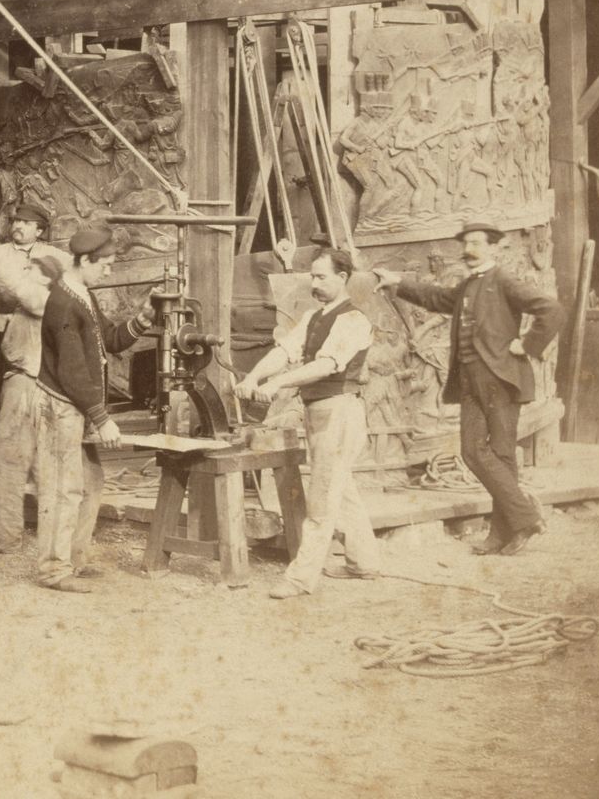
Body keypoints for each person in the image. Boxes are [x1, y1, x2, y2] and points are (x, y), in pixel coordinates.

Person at [376, 222, 561, 555]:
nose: (469, 250)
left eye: (476, 243)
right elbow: (436, 297)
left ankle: (505, 531)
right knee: (474, 451)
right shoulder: (468, 286)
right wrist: (398, 283)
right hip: (471, 381)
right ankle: (523, 519)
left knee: (502, 455)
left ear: (493, 248)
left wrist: (528, 344)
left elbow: (552, 310)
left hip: (501, 380)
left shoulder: (503, 281)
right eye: (466, 243)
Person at [237, 248, 381, 598]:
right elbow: (284, 352)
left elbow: (327, 365)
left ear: (342, 278)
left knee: (321, 500)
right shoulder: (314, 317)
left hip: (340, 411)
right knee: (340, 487)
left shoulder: (353, 320)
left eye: (321, 277)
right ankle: (365, 562)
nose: (314, 283)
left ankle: (301, 578)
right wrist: (254, 377)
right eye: (312, 277)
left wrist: (278, 383)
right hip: (319, 411)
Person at [31, 224, 152, 592]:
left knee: (90, 482)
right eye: (105, 264)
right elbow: (72, 370)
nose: (109, 270)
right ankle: (53, 569)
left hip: (75, 405)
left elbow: (109, 342)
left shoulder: (82, 292)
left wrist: (143, 318)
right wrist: (102, 419)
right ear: (85, 260)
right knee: (62, 488)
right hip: (61, 407)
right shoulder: (64, 303)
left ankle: (74, 558)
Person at [0, 204, 67, 551]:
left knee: (6, 459)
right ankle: (54, 537)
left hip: (28, 382)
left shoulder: (40, 297)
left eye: (35, 270)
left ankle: (9, 536)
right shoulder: (40, 298)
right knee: (42, 462)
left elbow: (13, 286)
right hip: (38, 380)